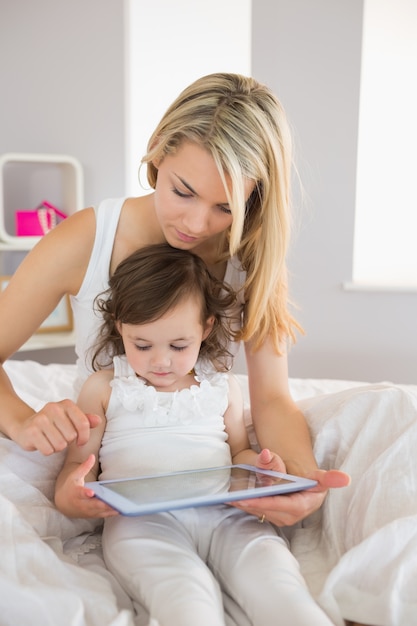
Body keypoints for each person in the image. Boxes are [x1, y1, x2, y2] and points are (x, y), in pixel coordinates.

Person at [0, 72, 349, 531]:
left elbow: (271, 397)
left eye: (226, 208)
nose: (197, 224)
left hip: (207, 476)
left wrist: (300, 481)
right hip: (115, 463)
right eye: (183, 191)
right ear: (158, 148)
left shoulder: (250, 256)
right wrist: (22, 419)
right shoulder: (86, 238)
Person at [55, 243, 335, 626]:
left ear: (205, 328)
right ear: (120, 326)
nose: (160, 361)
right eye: (142, 344)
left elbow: (239, 454)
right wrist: (73, 497)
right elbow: (77, 466)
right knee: (185, 597)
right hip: (142, 524)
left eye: (178, 345)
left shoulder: (221, 387)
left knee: (277, 581)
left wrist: (263, 468)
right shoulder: (105, 388)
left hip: (227, 515)